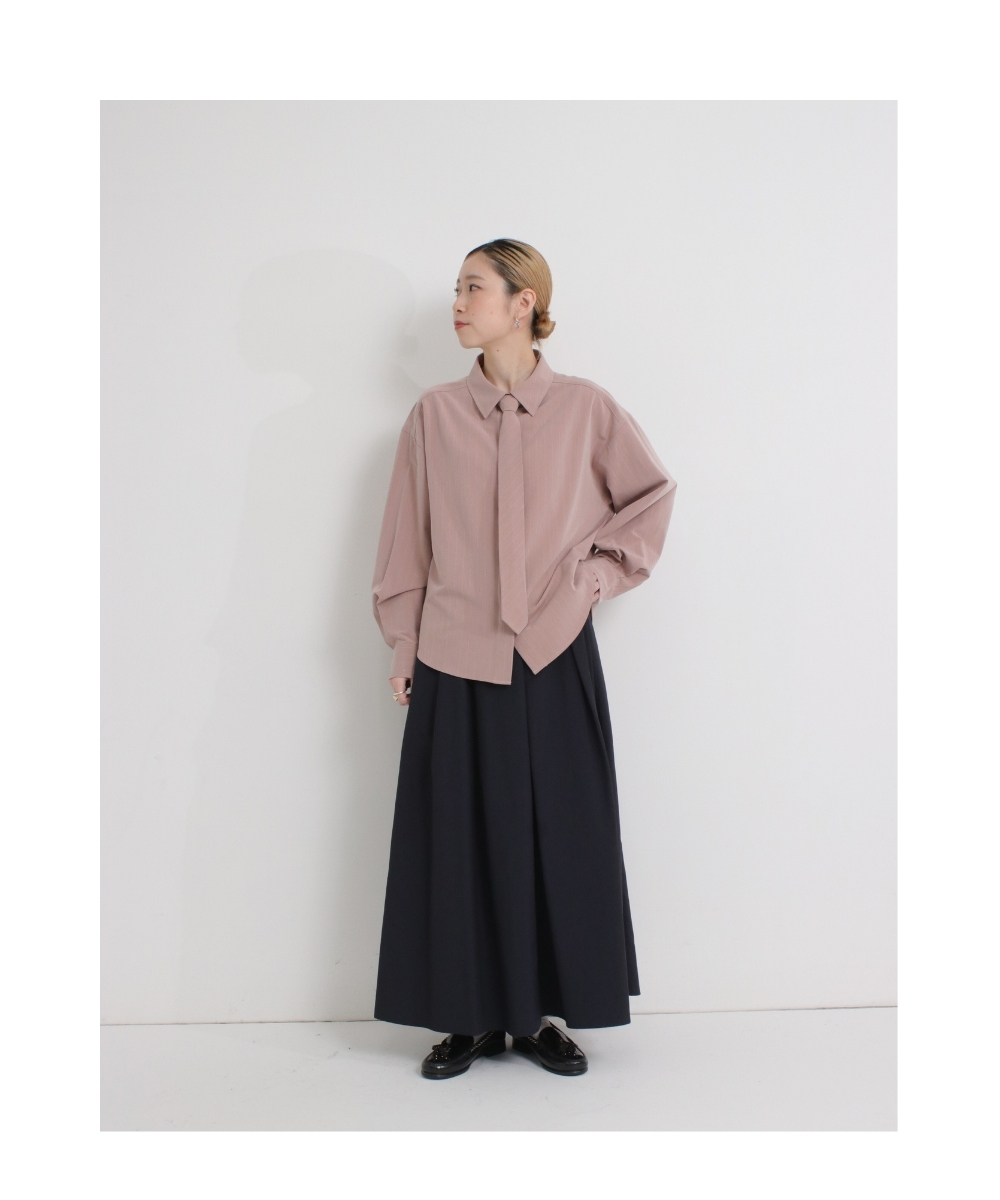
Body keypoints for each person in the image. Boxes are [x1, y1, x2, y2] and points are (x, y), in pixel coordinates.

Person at [370, 238, 677, 1079]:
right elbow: (406, 540)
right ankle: (467, 1018)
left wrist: (591, 580)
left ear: (523, 302)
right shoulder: (434, 416)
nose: (457, 303)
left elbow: (650, 497)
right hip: (453, 653)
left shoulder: (585, 409)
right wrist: (405, 642)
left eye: (473, 287)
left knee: (561, 837)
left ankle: (541, 1013)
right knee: (457, 839)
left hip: (553, 652)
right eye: (457, 288)